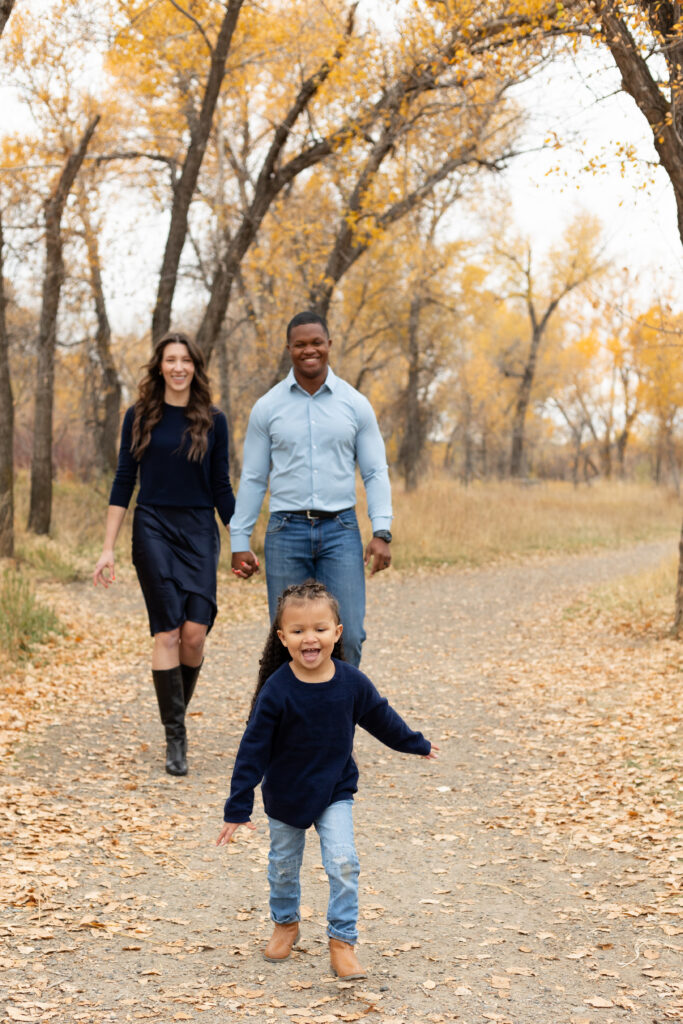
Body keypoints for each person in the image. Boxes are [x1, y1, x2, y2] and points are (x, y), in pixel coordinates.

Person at [216, 580, 437, 980]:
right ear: (283, 638)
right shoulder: (277, 690)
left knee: (343, 860)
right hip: (286, 794)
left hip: (335, 790)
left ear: (337, 632)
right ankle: (285, 923)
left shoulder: (351, 682)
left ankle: (342, 941)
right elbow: (253, 749)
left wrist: (415, 744)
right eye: (298, 631)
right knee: (283, 866)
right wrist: (237, 805)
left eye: (320, 628)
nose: (309, 638)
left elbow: (380, 718)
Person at [93, 331, 235, 777]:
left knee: (195, 634)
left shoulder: (214, 419)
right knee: (168, 631)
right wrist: (107, 549)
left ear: (195, 366)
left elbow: (221, 488)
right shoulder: (139, 416)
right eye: (170, 359)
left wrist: (243, 539)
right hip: (152, 525)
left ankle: (173, 714)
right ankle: (176, 736)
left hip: (199, 531)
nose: (178, 367)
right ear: (160, 367)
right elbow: (123, 481)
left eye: (185, 360)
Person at [229, 310, 393, 667]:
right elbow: (254, 478)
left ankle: (337, 720)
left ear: (329, 345)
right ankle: (290, 722)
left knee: (347, 635)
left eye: (316, 342)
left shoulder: (354, 405)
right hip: (286, 531)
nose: (309, 350)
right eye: (300, 344)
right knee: (288, 638)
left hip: (341, 531)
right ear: (289, 348)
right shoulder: (267, 408)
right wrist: (239, 541)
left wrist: (382, 531)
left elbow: (375, 472)